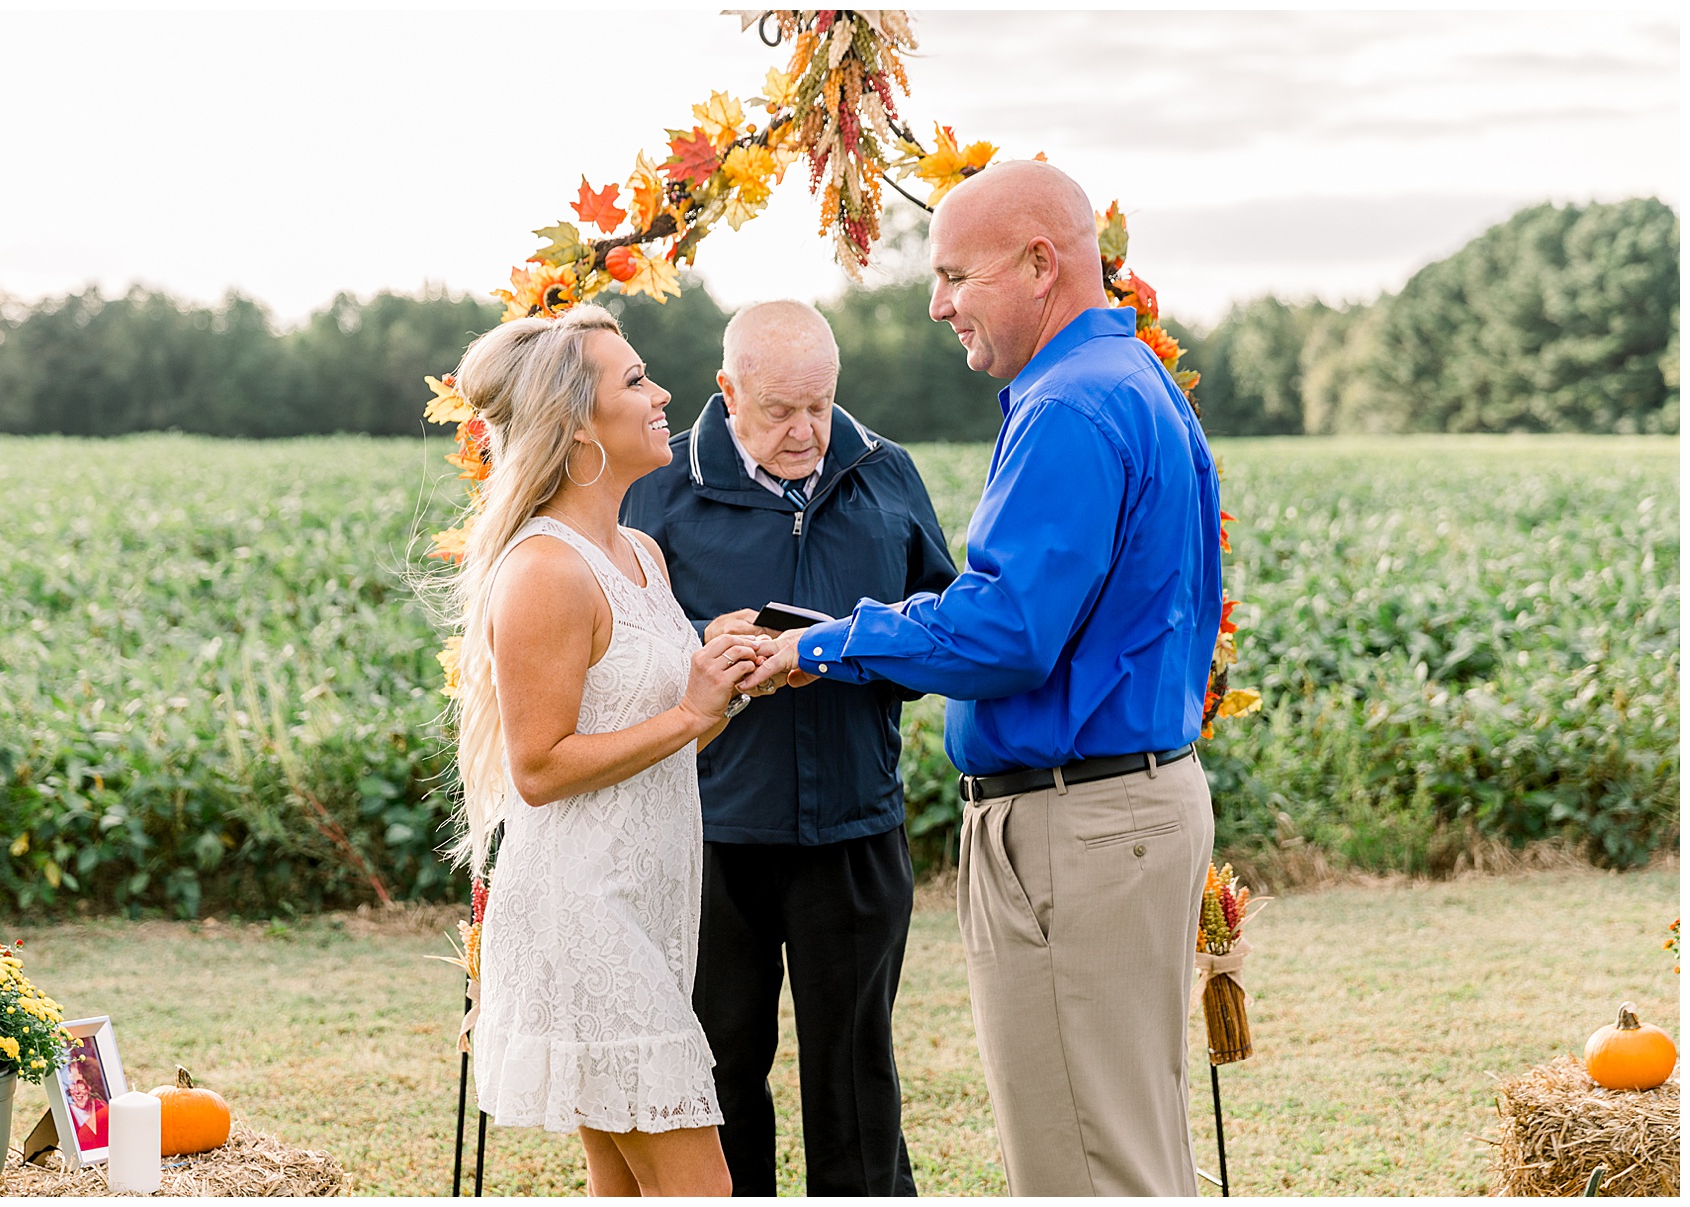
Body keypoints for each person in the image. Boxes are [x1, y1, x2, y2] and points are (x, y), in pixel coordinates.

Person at [742, 161, 1224, 1196]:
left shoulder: (1069, 406)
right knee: (1130, 1145)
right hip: (1131, 810)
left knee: (1079, 1167)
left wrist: (824, 645)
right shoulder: (1134, 380)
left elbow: (1008, 632)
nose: (937, 303)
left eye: (956, 274)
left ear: (1041, 264)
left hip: (1076, 826)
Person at [621, 300, 956, 1196]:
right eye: (780, 411)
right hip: (709, 833)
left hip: (855, 826)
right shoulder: (657, 488)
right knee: (722, 1068)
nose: (807, 430)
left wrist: (844, 651)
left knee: (856, 1076)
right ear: (728, 392)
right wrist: (709, 647)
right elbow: (615, 649)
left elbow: (946, 630)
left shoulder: (887, 473)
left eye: (821, 404)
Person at [449, 304, 761, 1197]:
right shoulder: (545, 569)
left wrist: (728, 682)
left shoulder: (642, 554)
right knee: (702, 1187)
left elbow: (659, 728)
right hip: (583, 915)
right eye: (635, 380)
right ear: (577, 421)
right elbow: (539, 768)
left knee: (622, 1188)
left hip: (647, 904)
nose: (663, 395)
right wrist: (691, 711)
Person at [66, 1051, 110, 1151]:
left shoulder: (101, 1107)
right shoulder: (67, 1114)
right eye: (72, 1084)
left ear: (89, 1085)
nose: (76, 1091)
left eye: (80, 1084)